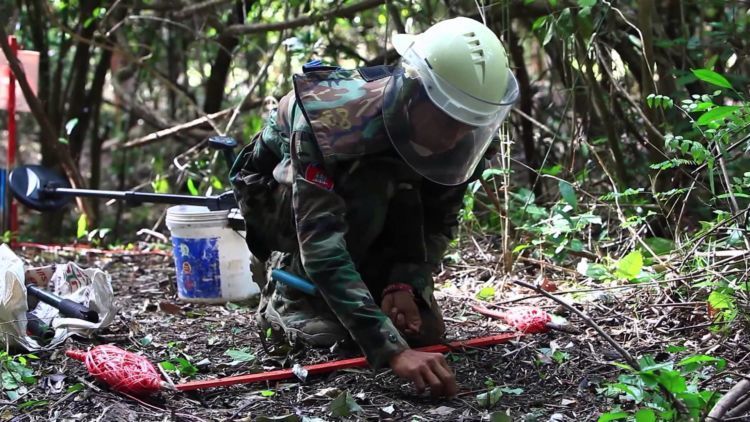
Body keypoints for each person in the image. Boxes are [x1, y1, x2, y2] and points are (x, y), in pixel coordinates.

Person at [230, 16, 518, 397]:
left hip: (375, 208)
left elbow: (436, 223)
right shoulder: (329, 121)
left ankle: (375, 285)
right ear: (415, 93)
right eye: (448, 119)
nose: (456, 136)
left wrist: (406, 283)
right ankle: (292, 293)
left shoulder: (461, 138)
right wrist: (392, 351)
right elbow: (321, 243)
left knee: (426, 331)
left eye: (468, 124)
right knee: (371, 184)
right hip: (282, 204)